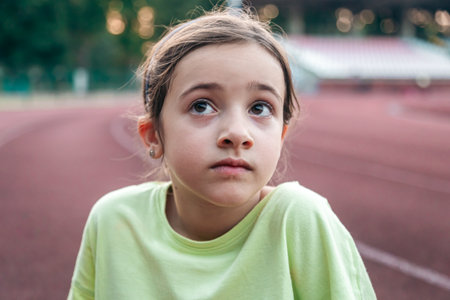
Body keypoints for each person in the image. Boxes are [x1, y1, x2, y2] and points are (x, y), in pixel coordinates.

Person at [68, 8, 376, 300]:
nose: (238, 133)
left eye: (260, 108)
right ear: (154, 136)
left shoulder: (299, 219)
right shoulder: (113, 222)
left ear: (281, 135)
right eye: (201, 106)